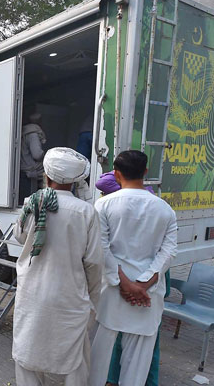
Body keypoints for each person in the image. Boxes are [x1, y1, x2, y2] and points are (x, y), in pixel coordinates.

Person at [12, 147, 103, 385]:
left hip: (32, 291)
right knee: (74, 356)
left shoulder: (34, 202)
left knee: (27, 350)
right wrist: (93, 300)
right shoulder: (86, 212)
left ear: (47, 176)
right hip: (70, 295)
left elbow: (20, 237)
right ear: (74, 181)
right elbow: (93, 262)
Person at [89, 150, 178, 386]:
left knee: (99, 360)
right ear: (146, 172)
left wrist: (125, 284)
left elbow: (102, 249)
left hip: (113, 292)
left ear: (116, 175)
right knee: (137, 368)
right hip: (147, 297)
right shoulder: (165, 209)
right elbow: (168, 253)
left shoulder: (103, 205)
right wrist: (143, 285)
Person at [19, 113, 46, 201]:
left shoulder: (22, 131)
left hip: (23, 170)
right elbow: (37, 154)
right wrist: (46, 155)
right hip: (31, 172)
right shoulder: (33, 134)